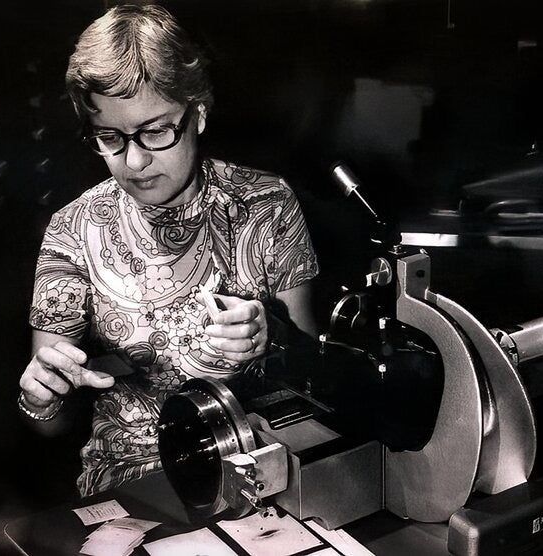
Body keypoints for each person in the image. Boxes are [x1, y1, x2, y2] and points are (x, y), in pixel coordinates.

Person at [17, 4, 318, 497]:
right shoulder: (72, 230)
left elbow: (314, 379)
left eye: (155, 130)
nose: (134, 161)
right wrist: (41, 398)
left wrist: (272, 331)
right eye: (110, 137)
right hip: (132, 480)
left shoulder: (267, 205)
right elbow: (48, 421)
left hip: (260, 468)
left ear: (197, 112)